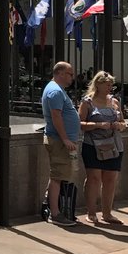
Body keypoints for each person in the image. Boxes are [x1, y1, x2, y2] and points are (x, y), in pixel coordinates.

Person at [78, 71, 127, 226]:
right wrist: (98, 125)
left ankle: (107, 213)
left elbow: (123, 122)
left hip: (113, 146)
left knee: (110, 179)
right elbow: (80, 124)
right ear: (97, 84)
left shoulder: (114, 101)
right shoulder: (87, 102)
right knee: (94, 178)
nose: (109, 87)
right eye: (107, 84)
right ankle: (91, 213)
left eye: (111, 84)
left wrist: (119, 125)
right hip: (93, 146)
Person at [41, 61, 81, 227]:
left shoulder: (57, 90)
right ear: (61, 73)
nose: (72, 77)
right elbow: (56, 116)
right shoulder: (55, 91)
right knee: (58, 176)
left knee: (58, 174)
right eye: (70, 74)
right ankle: (55, 213)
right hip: (59, 141)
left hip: (61, 140)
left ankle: (49, 205)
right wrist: (65, 138)